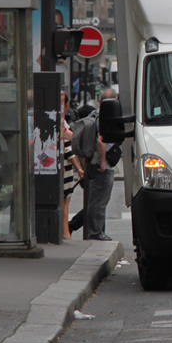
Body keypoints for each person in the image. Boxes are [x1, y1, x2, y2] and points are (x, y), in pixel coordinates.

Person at [68, 88, 117, 241]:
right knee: (99, 202)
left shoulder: (93, 115)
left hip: (91, 163)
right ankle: (96, 232)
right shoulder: (106, 118)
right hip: (102, 165)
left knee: (95, 200)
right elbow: (101, 141)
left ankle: (95, 231)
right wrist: (102, 162)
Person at [61, 94, 84, 241]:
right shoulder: (61, 122)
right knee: (65, 201)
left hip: (63, 167)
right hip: (65, 167)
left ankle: (65, 232)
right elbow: (69, 150)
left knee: (65, 201)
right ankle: (65, 233)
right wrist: (79, 169)